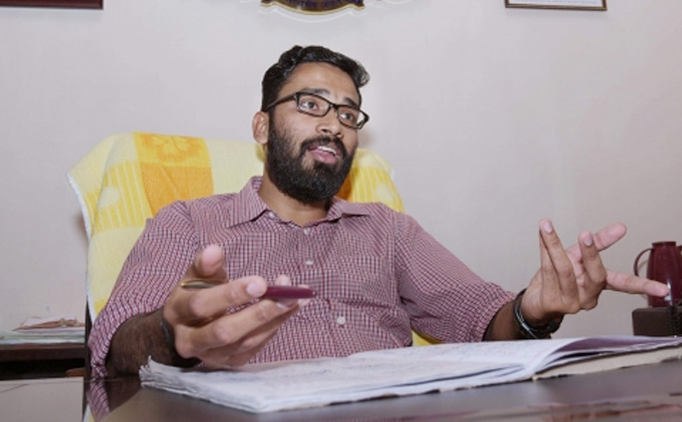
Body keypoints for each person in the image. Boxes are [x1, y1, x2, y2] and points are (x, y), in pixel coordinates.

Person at [88, 45, 668, 377]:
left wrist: (533, 310)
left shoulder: (388, 231)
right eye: (311, 105)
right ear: (262, 127)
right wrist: (173, 334)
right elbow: (112, 348)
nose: (332, 125)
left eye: (348, 114)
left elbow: (483, 323)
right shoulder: (189, 223)